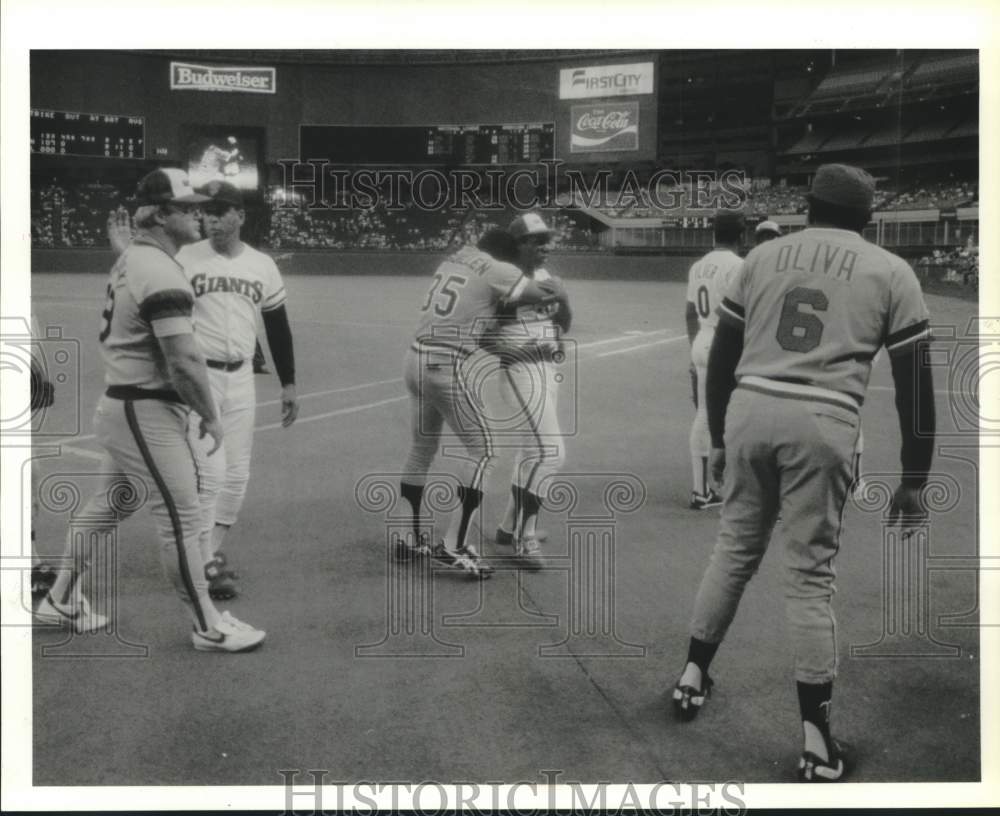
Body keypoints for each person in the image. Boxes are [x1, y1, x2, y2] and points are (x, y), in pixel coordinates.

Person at [670, 164, 935, 782]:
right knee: (809, 579)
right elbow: (915, 387)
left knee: (732, 551)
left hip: (749, 408)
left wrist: (713, 434)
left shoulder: (760, 257)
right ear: (867, 217)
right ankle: (816, 742)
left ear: (807, 206)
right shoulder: (891, 269)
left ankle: (690, 674)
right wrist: (915, 479)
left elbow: (723, 357)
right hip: (824, 418)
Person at [35, 168, 265, 652]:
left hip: (124, 404)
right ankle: (208, 625)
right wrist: (209, 411)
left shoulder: (139, 259)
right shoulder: (158, 267)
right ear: (163, 215)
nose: (199, 215)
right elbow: (182, 359)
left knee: (110, 506)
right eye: (188, 208)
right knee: (181, 518)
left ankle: (58, 599)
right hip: (145, 410)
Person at [109, 180, 298, 600]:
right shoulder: (184, 257)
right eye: (206, 212)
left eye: (220, 211)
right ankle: (203, 565)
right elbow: (145, 283)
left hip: (243, 377)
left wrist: (288, 383)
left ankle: (208, 552)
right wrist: (124, 252)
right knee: (209, 475)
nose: (210, 218)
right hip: (199, 376)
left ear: (240, 216)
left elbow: (277, 326)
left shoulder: (262, 265)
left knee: (237, 474)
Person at [397, 229, 568, 578]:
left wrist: (521, 349)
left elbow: (486, 327)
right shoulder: (499, 270)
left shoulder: (457, 256)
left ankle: (407, 537)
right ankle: (453, 545)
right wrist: (558, 287)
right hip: (444, 365)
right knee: (485, 451)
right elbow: (544, 292)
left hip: (414, 359)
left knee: (421, 450)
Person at [492, 213, 571, 569]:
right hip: (520, 371)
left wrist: (563, 302)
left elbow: (563, 321)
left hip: (545, 367)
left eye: (547, 240)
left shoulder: (545, 277)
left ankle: (509, 527)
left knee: (530, 451)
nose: (545, 247)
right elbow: (486, 335)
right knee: (551, 452)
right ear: (518, 244)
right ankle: (525, 539)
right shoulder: (500, 278)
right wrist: (525, 351)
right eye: (537, 241)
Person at [683, 210, 745, 510]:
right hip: (728, 344)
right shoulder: (739, 265)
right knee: (735, 415)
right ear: (741, 235)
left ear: (713, 233)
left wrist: (693, 348)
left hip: (702, 339)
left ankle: (700, 489)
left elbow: (689, 312)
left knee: (705, 414)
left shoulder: (698, 266)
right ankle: (736, 486)